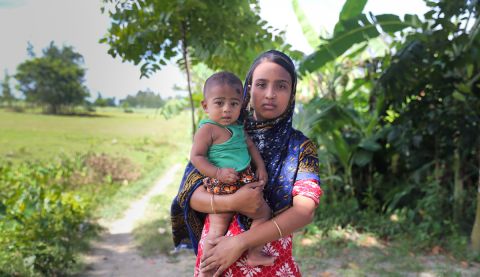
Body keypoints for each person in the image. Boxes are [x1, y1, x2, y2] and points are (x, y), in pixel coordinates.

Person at [171, 50, 322, 277]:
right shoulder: (222, 130)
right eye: (261, 84)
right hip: (215, 260)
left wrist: (240, 243)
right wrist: (234, 201)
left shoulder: (300, 146)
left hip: (269, 264)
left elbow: (304, 212)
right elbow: (190, 195)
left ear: (292, 93)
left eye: (281, 86)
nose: (270, 94)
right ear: (248, 89)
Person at [189, 71, 275, 274]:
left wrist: (261, 167)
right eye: (219, 103)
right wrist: (218, 172)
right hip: (222, 185)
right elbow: (197, 157)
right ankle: (207, 269)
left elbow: (251, 146)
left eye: (234, 104)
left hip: (244, 180)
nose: (227, 109)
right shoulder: (207, 129)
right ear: (205, 106)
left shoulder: (238, 127)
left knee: (264, 213)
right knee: (216, 229)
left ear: (241, 105)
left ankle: (254, 253)